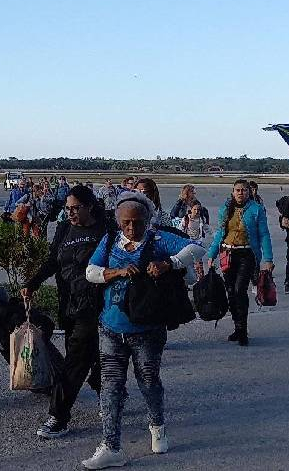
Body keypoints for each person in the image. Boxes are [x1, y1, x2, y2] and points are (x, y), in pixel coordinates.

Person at [82, 192, 205, 469]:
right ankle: (111, 446)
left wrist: (168, 263)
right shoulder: (110, 240)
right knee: (111, 386)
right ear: (117, 220)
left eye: (138, 223)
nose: (131, 229)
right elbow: (91, 271)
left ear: (148, 220)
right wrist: (117, 272)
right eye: (126, 222)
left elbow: (197, 247)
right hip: (111, 327)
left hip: (147, 330)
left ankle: (157, 425)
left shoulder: (159, 239)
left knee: (149, 381)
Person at [20, 185, 110, 439]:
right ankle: (107, 390)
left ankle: (58, 415)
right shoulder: (64, 229)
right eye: (67, 208)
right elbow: (52, 261)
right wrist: (32, 282)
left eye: (75, 208)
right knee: (87, 354)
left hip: (96, 304)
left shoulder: (105, 229)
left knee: (76, 361)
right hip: (69, 303)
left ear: (89, 206)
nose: (70, 213)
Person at [200, 180, 274, 346]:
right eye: (238, 190)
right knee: (231, 291)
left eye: (244, 190)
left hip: (246, 253)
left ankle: (242, 330)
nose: (241, 193)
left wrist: (268, 259)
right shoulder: (225, 209)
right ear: (233, 192)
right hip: (227, 253)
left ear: (249, 192)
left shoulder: (256, 209)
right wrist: (212, 253)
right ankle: (237, 326)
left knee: (240, 290)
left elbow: (264, 234)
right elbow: (220, 233)